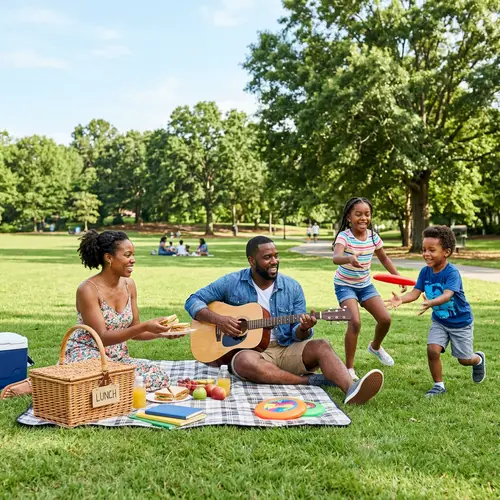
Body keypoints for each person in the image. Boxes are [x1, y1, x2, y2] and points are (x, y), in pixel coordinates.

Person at [185, 235, 384, 405]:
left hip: (285, 347)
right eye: (267, 257)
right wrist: (219, 320)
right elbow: (193, 300)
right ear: (251, 261)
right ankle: (310, 381)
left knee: (321, 345)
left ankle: (352, 389)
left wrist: (304, 328)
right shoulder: (232, 282)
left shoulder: (292, 287)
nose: (274, 261)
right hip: (252, 354)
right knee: (245, 361)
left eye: (276, 256)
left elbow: (298, 334)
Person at [1, 230, 185, 399]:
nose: (133, 260)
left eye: (133, 255)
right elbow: (102, 337)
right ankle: (40, 383)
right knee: (108, 379)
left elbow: (134, 331)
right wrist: (145, 326)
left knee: (157, 375)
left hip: (117, 358)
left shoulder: (130, 285)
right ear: (109, 258)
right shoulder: (88, 290)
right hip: (86, 354)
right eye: (127, 255)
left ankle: (73, 386)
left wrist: (163, 332)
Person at [385, 225, 486, 397]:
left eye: (432, 250)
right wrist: (401, 299)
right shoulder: (425, 272)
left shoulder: (452, 273)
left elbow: (447, 295)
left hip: (460, 322)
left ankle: (478, 359)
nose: (426, 254)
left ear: (446, 252)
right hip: (440, 321)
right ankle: (439, 386)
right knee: (432, 350)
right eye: (424, 250)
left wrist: (431, 302)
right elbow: (415, 292)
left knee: (464, 359)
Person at [332, 197, 405, 381]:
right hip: (345, 285)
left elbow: (385, 259)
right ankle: (349, 368)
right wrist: (349, 258)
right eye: (358, 214)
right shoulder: (344, 237)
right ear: (349, 216)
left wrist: (398, 278)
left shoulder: (373, 237)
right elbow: (336, 257)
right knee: (355, 322)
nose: (363, 218)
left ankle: (375, 346)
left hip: (365, 285)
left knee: (385, 319)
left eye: (367, 214)